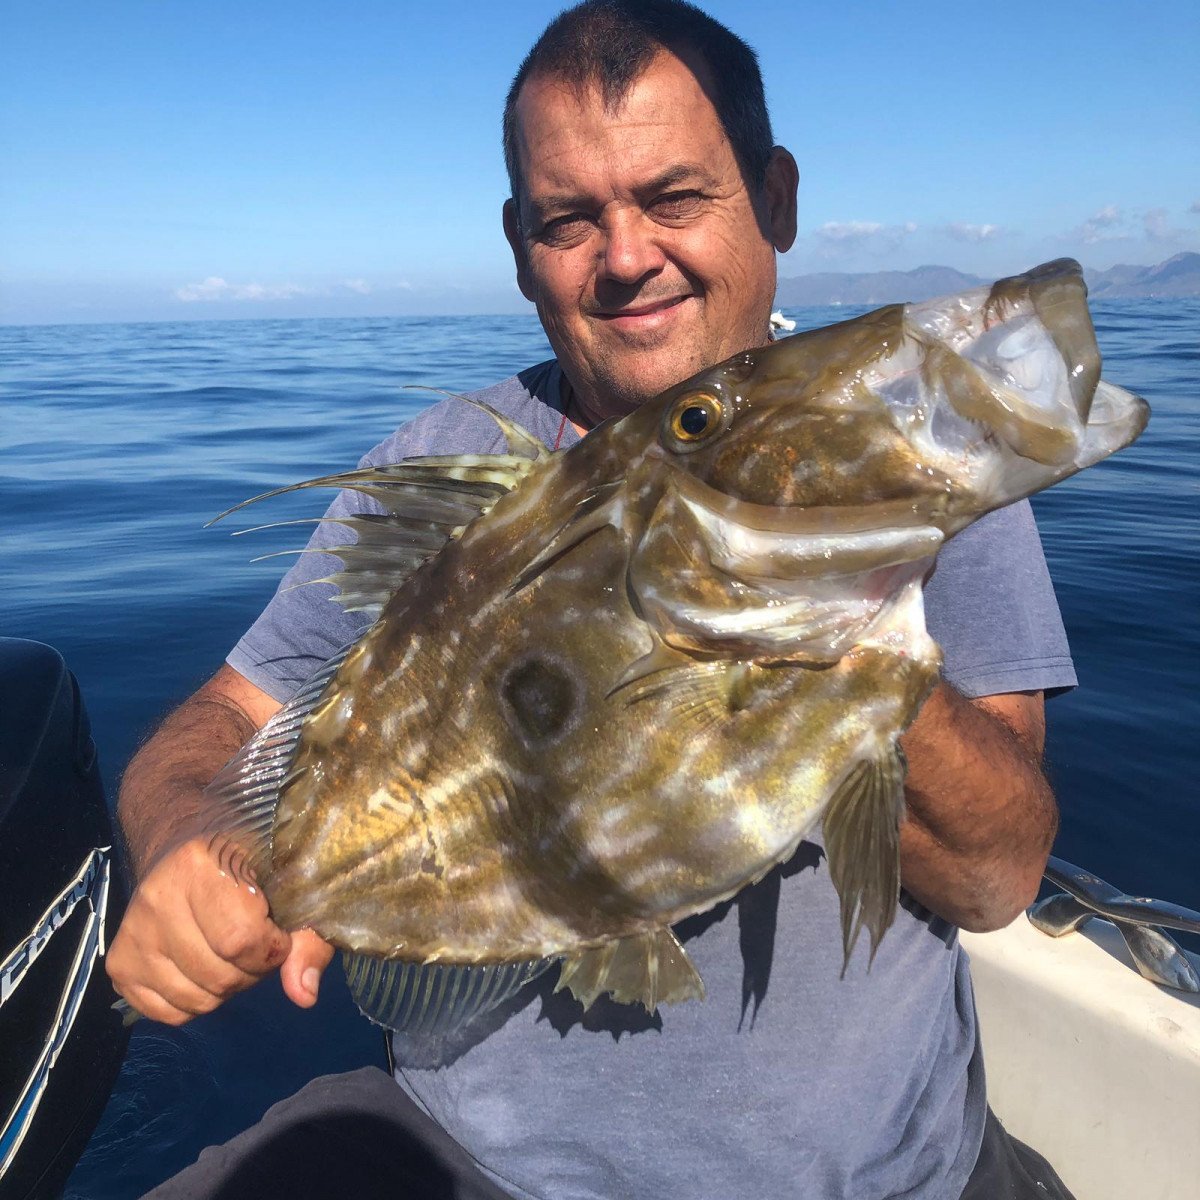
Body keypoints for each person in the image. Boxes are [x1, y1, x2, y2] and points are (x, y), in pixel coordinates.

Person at [109, 3, 1081, 1197]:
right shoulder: (448, 458)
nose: (626, 258)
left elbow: (996, 878)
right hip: (479, 1160)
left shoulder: (898, 456)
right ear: (521, 247)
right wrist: (193, 852)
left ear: (773, 198)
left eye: (675, 198)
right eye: (571, 220)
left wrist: (832, 634)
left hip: (884, 1174)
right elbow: (225, 717)